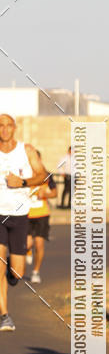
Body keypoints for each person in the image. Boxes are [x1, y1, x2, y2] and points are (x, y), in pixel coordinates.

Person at [0, 114, 47, 330]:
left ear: (14, 128)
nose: (4, 129)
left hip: (19, 216)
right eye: (1, 126)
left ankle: (11, 272)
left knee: (16, 272)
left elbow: (43, 176)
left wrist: (23, 182)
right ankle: (4, 316)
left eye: (8, 125)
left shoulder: (26, 151)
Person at [26, 150, 57, 283]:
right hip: (26, 214)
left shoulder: (47, 175)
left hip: (42, 214)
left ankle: (36, 272)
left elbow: (55, 193)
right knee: (27, 244)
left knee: (39, 244)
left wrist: (45, 194)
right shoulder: (25, 175)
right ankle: (27, 251)